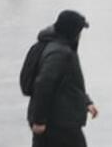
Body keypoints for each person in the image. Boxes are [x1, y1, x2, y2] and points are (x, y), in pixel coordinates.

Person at [27, 10, 98, 147]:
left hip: (60, 120)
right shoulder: (59, 53)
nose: (80, 35)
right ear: (71, 31)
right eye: (79, 31)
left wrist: (85, 102)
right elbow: (43, 85)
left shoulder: (60, 47)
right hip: (58, 123)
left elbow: (69, 84)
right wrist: (39, 121)